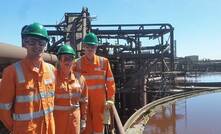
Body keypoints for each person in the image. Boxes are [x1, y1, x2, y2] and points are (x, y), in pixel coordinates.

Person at [0, 22, 56, 134]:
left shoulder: (51, 70)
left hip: (48, 130)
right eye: (32, 42)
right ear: (25, 43)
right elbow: (3, 109)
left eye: (41, 43)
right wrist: (16, 129)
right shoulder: (11, 72)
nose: (37, 46)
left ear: (45, 45)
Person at [73, 32, 116, 134]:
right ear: (84, 47)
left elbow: (110, 81)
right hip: (84, 101)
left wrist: (110, 99)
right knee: (85, 127)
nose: (90, 49)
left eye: (92, 47)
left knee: (98, 128)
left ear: (96, 47)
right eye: (87, 47)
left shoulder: (104, 62)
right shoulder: (77, 63)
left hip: (99, 102)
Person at [54, 44, 88, 134]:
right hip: (57, 122)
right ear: (59, 60)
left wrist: (83, 119)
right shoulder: (52, 78)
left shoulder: (80, 79)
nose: (68, 62)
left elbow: (84, 101)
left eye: (71, 58)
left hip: (74, 121)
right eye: (65, 58)